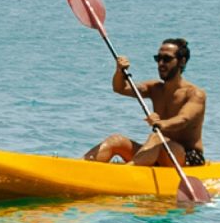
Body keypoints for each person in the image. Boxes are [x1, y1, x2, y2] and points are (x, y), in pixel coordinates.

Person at [84, 37, 206, 167]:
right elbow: (120, 88)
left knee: (157, 138)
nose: (161, 63)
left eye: (167, 59)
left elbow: (183, 120)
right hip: (159, 149)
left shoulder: (195, 94)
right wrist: (120, 71)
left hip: (187, 157)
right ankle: (80, 167)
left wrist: (161, 124)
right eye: (158, 58)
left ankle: (128, 171)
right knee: (116, 140)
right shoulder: (155, 88)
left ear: (182, 61)